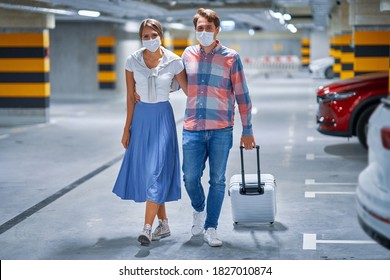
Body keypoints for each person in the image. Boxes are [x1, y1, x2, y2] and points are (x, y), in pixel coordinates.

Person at [181, 8, 256, 247]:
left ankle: (211, 227)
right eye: (200, 28)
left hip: (221, 128)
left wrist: (247, 130)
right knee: (190, 177)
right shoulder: (187, 54)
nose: (204, 32)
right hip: (192, 126)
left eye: (208, 28)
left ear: (217, 30)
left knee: (218, 180)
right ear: (195, 30)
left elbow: (243, 95)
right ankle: (198, 210)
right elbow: (175, 82)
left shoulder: (231, 57)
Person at [112, 18, 187, 246]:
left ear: (161, 35)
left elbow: (189, 91)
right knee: (150, 173)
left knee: (157, 171)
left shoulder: (174, 61)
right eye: (146, 36)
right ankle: (163, 223)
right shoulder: (131, 61)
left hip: (163, 117)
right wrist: (127, 129)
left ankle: (146, 228)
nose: (151, 39)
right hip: (141, 119)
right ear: (141, 38)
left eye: (154, 35)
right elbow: (129, 96)